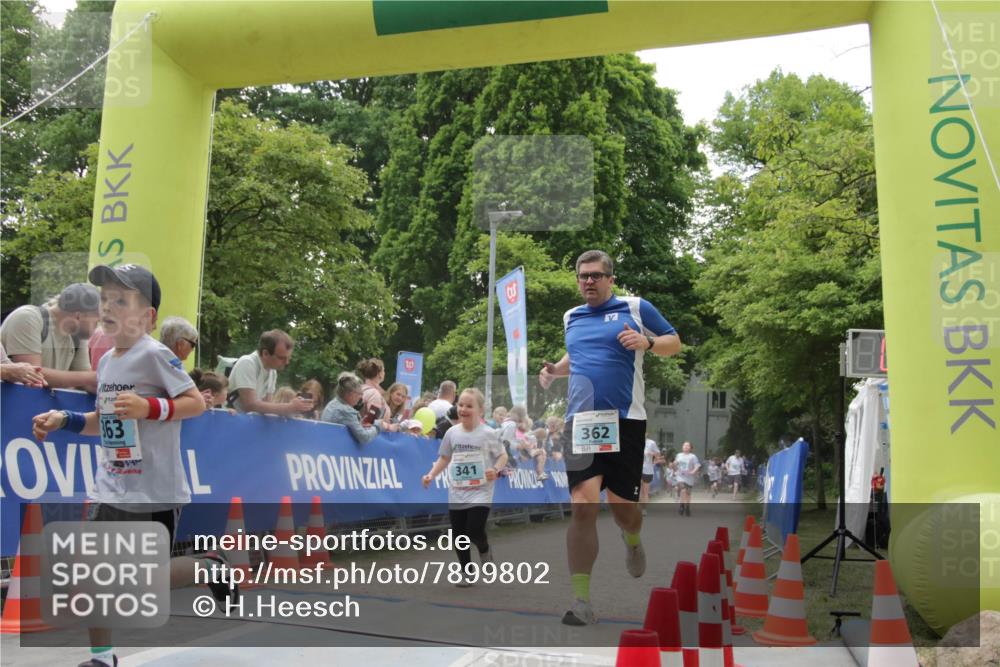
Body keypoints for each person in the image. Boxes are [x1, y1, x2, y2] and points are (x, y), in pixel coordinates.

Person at [30, 264, 236, 667]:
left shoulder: (156, 354)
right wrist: (65, 421)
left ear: (149, 317)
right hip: (111, 483)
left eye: (122, 300)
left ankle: (207, 566)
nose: (108, 307)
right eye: (104, 299)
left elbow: (195, 404)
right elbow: (105, 423)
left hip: (153, 488)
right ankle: (102, 657)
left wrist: (148, 406)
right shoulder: (106, 362)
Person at [539, 249, 681, 626]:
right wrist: (557, 369)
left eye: (596, 276)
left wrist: (647, 343)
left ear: (610, 279)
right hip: (581, 422)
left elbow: (674, 341)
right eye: (583, 276)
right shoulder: (571, 317)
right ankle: (581, 601)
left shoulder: (636, 308)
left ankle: (632, 539)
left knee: (623, 510)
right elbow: (579, 355)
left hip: (625, 420)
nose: (588, 281)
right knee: (583, 505)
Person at [422, 388, 508, 586]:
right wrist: (431, 475)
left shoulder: (488, 433)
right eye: (461, 405)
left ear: (480, 410)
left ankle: (485, 550)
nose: (464, 409)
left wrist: (495, 469)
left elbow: (503, 456)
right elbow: (444, 458)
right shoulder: (452, 433)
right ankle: (466, 572)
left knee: (474, 529)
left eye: (469, 406)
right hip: (457, 491)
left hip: (481, 491)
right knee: (459, 534)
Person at [1, 282, 101, 392]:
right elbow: (32, 375)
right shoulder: (29, 318)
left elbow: (86, 383)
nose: (99, 325)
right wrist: (94, 377)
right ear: (79, 316)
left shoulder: (77, 336)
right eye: (97, 320)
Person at [227, 330, 312, 416]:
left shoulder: (272, 371)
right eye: (281, 358)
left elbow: (267, 407)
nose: (287, 362)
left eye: (288, 358)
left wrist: (294, 410)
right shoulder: (247, 363)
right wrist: (289, 407)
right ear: (265, 353)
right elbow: (250, 405)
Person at [321, 372, 382, 445]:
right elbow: (364, 437)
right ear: (351, 394)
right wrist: (378, 426)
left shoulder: (332, 403)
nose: (360, 397)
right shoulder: (346, 411)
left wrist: (360, 424)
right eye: (359, 394)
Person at [356, 358, 389, 423]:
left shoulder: (359, 389)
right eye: (384, 370)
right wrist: (390, 427)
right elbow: (371, 421)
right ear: (380, 374)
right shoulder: (374, 393)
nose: (384, 373)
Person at [673, 441, 701, 517]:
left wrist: (693, 471)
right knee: (683, 490)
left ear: (691, 448)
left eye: (687, 445)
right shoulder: (678, 455)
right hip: (680, 476)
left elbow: (697, 465)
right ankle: (681, 505)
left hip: (689, 477)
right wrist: (674, 466)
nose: (685, 446)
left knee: (688, 494)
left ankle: (687, 507)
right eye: (684, 445)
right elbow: (675, 463)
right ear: (682, 447)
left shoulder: (693, 456)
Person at [640, 437, 660, 512]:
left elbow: (658, 455)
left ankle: (643, 509)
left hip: (647, 470)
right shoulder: (634, 440)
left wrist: (652, 454)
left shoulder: (651, 443)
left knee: (645, 491)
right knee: (637, 490)